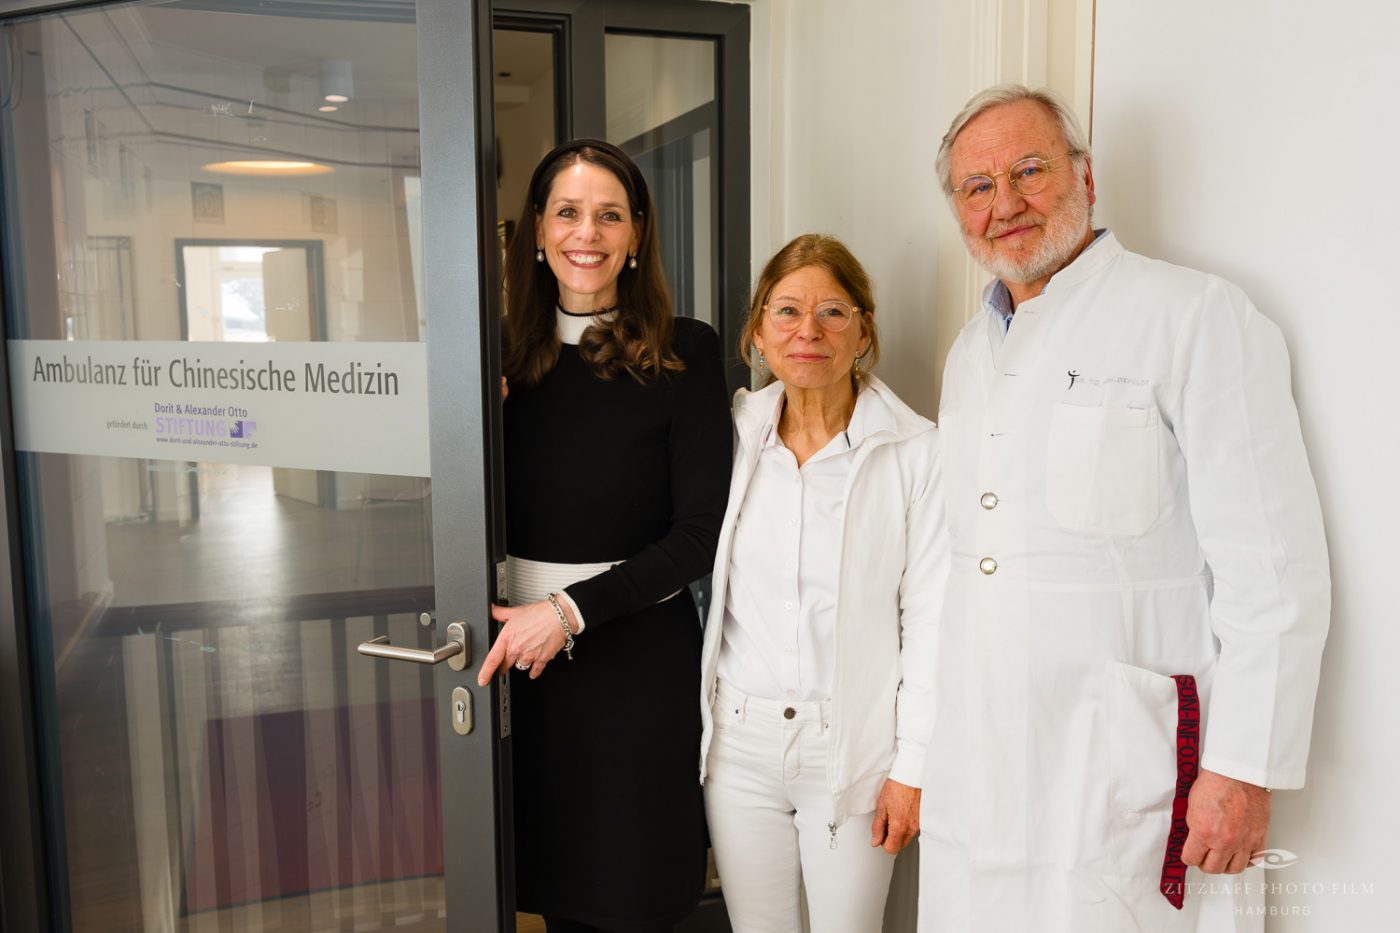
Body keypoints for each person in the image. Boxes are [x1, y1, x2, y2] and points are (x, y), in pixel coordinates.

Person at [918, 84, 1330, 932]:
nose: (1006, 204)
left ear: (1085, 176)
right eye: (977, 186)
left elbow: (1274, 567)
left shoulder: (1194, 316)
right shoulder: (968, 355)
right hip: (982, 755)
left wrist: (1245, 765)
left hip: (1124, 763)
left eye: (1029, 170)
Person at [476, 138, 731, 933]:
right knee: (558, 900)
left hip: (635, 662)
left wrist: (567, 613)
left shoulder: (686, 350)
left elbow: (698, 534)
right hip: (527, 669)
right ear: (540, 231)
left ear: (637, 233)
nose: (588, 232)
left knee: (634, 896)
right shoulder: (496, 358)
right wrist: (477, 412)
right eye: (569, 212)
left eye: (609, 215)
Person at [698, 234, 947, 933]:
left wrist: (914, 766)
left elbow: (931, 621)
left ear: (864, 331)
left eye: (834, 312)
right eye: (787, 311)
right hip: (738, 747)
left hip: (856, 751)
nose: (809, 331)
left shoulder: (915, 452)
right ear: (757, 331)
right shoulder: (733, 435)